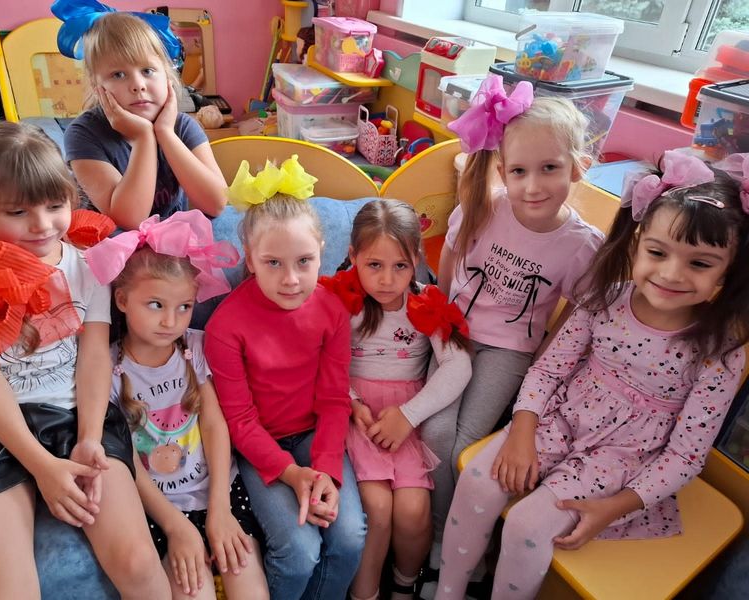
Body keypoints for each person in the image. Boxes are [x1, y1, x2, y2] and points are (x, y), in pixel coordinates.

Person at [436, 150, 749, 599]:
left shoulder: (721, 349)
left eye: (699, 263)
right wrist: (521, 431)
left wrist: (614, 508)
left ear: (728, 269)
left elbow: (685, 457)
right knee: (477, 481)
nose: (671, 273)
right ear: (637, 244)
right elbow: (548, 369)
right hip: (559, 418)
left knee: (526, 526)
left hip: (624, 456)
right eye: (657, 252)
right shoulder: (607, 297)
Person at [0, 120, 172, 599]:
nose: (42, 225)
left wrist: (89, 438)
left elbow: (94, 356)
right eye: (18, 211)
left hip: (74, 414)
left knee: (138, 565)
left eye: (55, 205)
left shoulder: (88, 264)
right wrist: (43, 468)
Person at [419, 75, 606, 593]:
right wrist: (439, 308)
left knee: (464, 444)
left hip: (509, 350)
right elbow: (451, 253)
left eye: (550, 168)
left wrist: (544, 354)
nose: (533, 186)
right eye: (520, 171)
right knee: (435, 434)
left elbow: (578, 311)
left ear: (578, 168)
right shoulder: (485, 206)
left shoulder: (582, 244)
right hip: (455, 331)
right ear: (503, 171)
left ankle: (451, 546)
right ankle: (443, 532)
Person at [205, 157, 366, 600]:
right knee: (298, 551)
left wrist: (327, 471)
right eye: (273, 263)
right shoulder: (225, 326)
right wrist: (292, 474)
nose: (291, 279)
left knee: (350, 536)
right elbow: (239, 420)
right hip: (261, 447)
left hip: (317, 438)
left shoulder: (331, 310)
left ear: (323, 252)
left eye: (304, 261)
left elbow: (334, 400)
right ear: (250, 259)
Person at [85, 210, 268, 599]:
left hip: (220, 493)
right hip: (161, 509)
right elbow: (127, 460)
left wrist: (220, 508)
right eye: (156, 305)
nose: (171, 321)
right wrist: (175, 526)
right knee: (192, 591)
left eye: (184, 306)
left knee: (249, 586)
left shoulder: (197, 347)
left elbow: (215, 426)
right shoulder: (108, 369)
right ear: (122, 300)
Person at [319, 200, 472, 600]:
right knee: (377, 507)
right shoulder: (338, 300)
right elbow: (319, 358)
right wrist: (352, 401)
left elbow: (459, 366)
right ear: (353, 256)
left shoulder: (425, 302)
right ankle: (365, 592)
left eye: (400, 266)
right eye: (374, 265)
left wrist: (408, 415)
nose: (387, 280)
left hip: (404, 414)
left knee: (413, 510)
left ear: (416, 261)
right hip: (356, 413)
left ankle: (405, 586)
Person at [53, 0, 228, 230]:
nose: (138, 85)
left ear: (167, 77)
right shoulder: (83, 134)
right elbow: (129, 221)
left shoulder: (183, 126)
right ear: (97, 87)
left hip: (168, 242)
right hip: (113, 245)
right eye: (118, 74)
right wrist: (144, 137)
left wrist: (165, 133)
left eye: (147, 71)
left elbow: (216, 204)